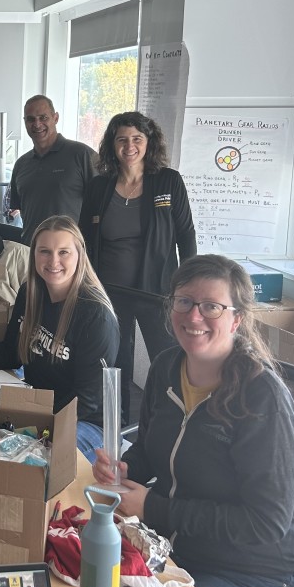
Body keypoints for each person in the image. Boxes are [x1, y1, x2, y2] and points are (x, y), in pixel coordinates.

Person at [93, 255, 294, 587]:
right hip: (172, 550)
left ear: (236, 318)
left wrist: (155, 508)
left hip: (250, 576)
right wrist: (126, 468)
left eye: (211, 307)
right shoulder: (166, 368)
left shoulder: (262, 399)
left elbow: (266, 523)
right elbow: (149, 447)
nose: (193, 317)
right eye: (184, 302)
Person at [0, 215, 119, 463]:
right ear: (33, 254)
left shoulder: (95, 315)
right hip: (40, 407)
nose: (53, 261)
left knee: (29, 463)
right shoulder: (30, 293)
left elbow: (87, 401)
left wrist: (35, 428)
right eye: (44, 251)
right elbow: (10, 354)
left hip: (87, 423)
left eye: (64, 252)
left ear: (79, 255)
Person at [80, 111, 197, 421]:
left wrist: (190, 285)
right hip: (109, 292)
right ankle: (114, 425)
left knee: (166, 359)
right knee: (115, 364)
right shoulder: (99, 187)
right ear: (111, 145)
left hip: (157, 290)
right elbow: (83, 240)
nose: (129, 146)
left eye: (136, 139)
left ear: (148, 142)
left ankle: (167, 423)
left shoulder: (168, 181)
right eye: (121, 140)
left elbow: (185, 235)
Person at [8, 95, 96, 242]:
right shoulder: (21, 164)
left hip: (71, 251)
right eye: (30, 119)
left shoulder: (81, 154)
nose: (37, 124)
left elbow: (103, 203)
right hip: (33, 250)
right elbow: (21, 211)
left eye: (43, 117)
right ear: (25, 122)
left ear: (55, 118)